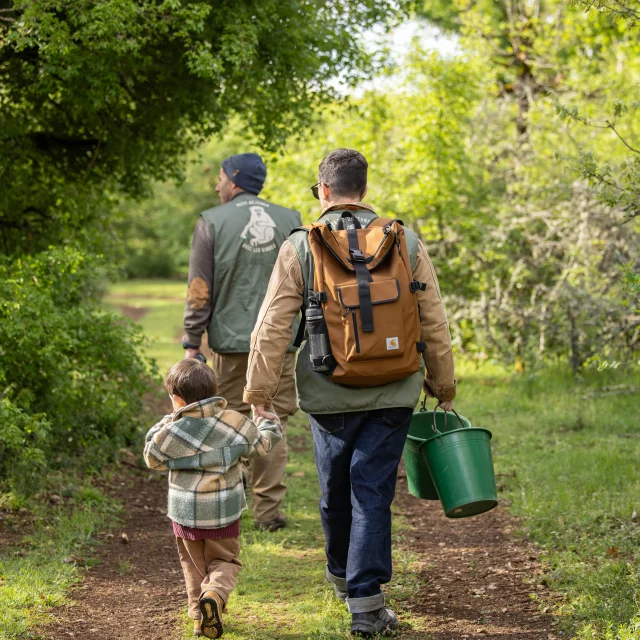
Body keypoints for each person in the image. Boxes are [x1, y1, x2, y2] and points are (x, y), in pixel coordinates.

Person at [243, 149, 456, 637]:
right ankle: (366, 601)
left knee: (334, 487)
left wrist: (259, 392)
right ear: (362, 189)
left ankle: (346, 582)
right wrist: (442, 386)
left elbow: (273, 325)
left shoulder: (301, 246)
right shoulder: (405, 241)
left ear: (323, 190)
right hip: (395, 390)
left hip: (327, 391)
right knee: (373, 491)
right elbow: (434, 321)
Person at [181, 153, 301, 532]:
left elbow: (200, 289)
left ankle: (228, 507)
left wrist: (191, 340)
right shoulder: (291, 220)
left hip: (231, 344)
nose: (216, 186)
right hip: (280, 342)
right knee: (273, 419)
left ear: (234, 180)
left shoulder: (211, 222)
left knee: (229, 419)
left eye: (219, 178)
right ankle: (268, 513)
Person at [143, 359, 281, 638]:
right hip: (223, 513)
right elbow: (264, 443)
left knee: (193, 566)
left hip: (184, 513)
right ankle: (215, 596)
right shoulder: (234, 424)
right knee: (225, 561)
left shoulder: (171, 432)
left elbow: (151, 456)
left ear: (176, 399)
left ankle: (198, 618)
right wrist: (267, 419)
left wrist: (171, 418)